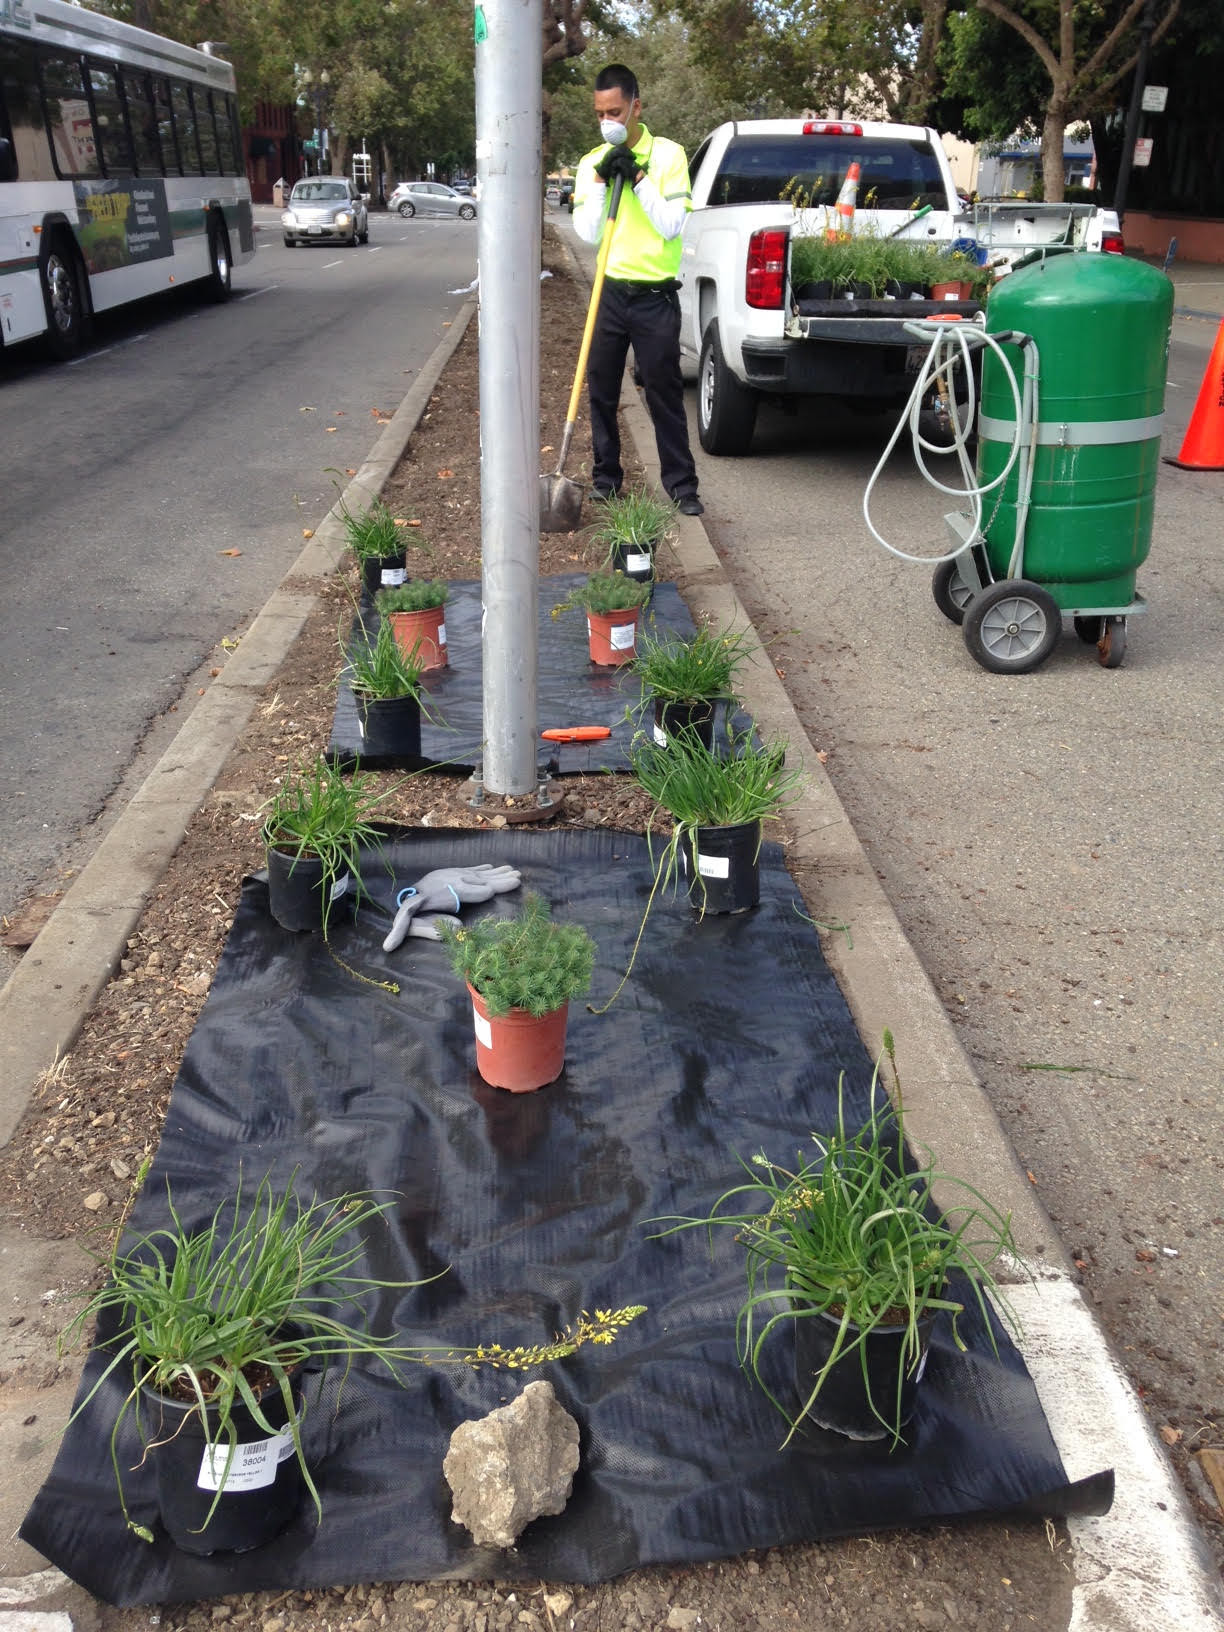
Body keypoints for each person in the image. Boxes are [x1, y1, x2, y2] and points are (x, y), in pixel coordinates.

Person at [572, 64, 703, 517]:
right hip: (610, 292)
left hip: (655, 296)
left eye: (616, 111)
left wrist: (640, 179)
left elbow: (670, 226)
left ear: (636, 107)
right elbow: (589, 232)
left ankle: (682, 487)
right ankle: (606, 478)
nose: (608, 121)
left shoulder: (669, 156)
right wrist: (601, 183)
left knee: (663, 392)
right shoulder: (592, 162)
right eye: (600, 114)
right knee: (601, 389)